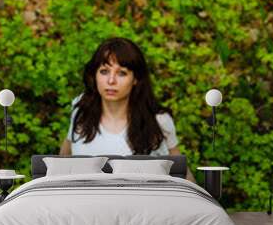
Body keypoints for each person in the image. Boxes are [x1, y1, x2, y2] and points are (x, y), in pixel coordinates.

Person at [59, 37, 195, 182]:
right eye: (104, 71)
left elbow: (183, 174)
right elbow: (63, 161)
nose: (111, 81)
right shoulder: (81, 109)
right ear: (95, 75)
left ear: (135, 79)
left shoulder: (158, 121)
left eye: (121, 73)